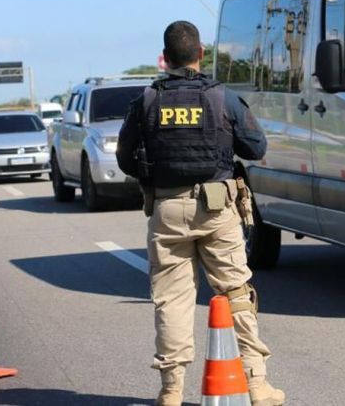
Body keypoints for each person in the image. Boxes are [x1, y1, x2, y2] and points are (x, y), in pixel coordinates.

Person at [117, 20, 284, 406]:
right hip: (217, 207)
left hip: (167, 208)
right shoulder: (221, 98)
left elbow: (125, 158)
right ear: (201, 54)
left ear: (165, 57)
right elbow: (256, 147)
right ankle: (257, 385)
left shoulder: (146, 101)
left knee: (172, 300)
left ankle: (171, 391)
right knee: (236, 292)